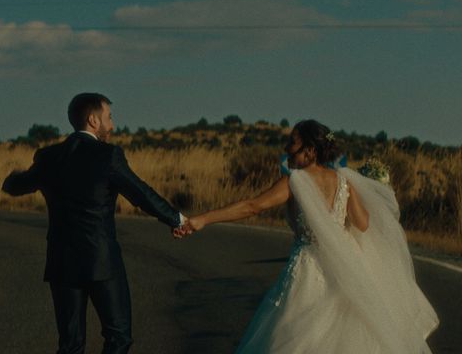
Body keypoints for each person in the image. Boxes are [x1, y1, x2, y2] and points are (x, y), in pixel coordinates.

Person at [182, 120, 439, 353]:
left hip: (309, 266)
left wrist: (203, 219)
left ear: (310, 151)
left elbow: (252, 207)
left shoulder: (294, 181)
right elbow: (362, 224)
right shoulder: (344, 181)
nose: (286, 148)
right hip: (348, 265)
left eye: (292, 142)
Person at [2, 93, 187, 354]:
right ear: (93, 120)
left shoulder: (48, 157)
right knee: (118, 337)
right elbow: (140, 194)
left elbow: (13, 187)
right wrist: (176, 219)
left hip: (62, 262)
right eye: (109, 117)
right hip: (102, 262)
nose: (112, 125)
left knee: (70, 345)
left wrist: (18, 175)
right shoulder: (109, 156)